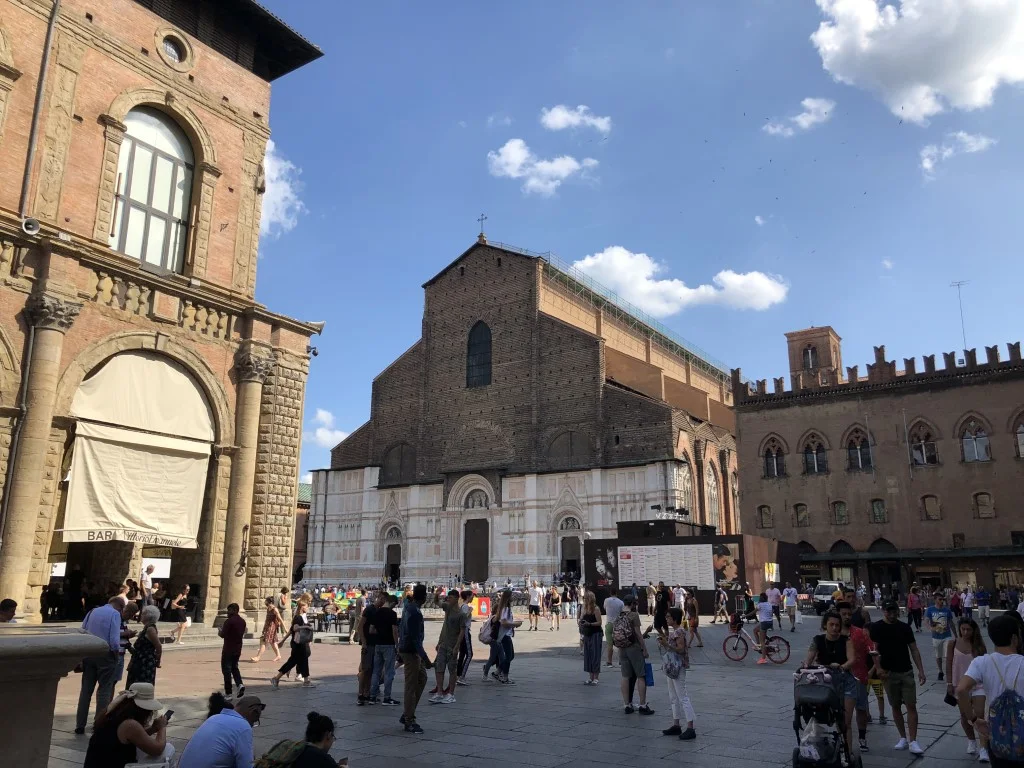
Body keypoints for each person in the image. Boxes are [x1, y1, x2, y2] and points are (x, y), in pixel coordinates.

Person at [956, 615, 1024, 768]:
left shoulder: (982, 662)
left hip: (997, 736)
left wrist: (973, 719)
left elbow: (961, 689)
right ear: (1015, 638)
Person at [870, 600, 927, 755]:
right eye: (889, 611)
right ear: (883, 611)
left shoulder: (904, 628)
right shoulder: (877, 627)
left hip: (906, 671)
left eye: (894, 611)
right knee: (895, 706)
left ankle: (913, 740)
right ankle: (903, 737)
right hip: (888, 673)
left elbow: (914, 650)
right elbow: (874, 650)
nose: (892, 614)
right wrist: (879, 668)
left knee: (911, 705)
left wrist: (921, 670)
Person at [804, 612, 855, 763]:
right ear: (825, 625)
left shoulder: (846, 640)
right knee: (820, 717)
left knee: (845, 721)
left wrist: (842, 667)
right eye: (831, 625)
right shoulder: (818, 640)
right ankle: (819, 748)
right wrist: (807, 666)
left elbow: (852, 659)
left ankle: (848, 752)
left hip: (845, 679)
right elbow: (809, 658)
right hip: (825, 680)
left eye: (837, 625)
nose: (834, 628)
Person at [83, 683, 171, 768]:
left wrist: (153, 728)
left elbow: (136, 737)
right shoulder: (130, 725)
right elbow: (157, 749)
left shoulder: (113, 714)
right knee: (169, 750)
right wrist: (162, 727)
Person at [76, 596, 125, 734]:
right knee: (104, 690)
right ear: (120, 606)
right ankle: (99, 724)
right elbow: (114, 639)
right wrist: (115, 655)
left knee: (86, 690)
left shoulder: (92, 611)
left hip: (89, 652)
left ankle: (80, 724)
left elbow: (82, 630)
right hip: (105, 653)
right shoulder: (115, 614)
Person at [178, 693, 265, 768]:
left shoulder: (214, 717)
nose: (253, 724)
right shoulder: (243, 726)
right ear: (254, 712)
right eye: (255, 721)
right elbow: (247, 765)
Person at [947, 618, 989, 762]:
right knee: (965, 716)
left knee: (979, 714)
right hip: (959, 684)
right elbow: (949, 663)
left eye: (968, 630)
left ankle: (983, 748)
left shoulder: (978, 645)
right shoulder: (952, 643)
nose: (965, 632)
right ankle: (971, 740)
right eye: (963, 629)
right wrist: (949, 683)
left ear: (974, 630)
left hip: (977, 684)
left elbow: (985, 665)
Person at [397, 583, 431, 734]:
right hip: (411, 652)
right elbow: (414, 637)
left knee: (422, 679)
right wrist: (425, 657)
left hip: (411, 650)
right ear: (424, 598)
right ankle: (409, 720)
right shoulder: (414, 612)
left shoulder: (409, 607)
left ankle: (407, 713)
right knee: (410, 686)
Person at [658, 606, 695, 740]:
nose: (666, 619)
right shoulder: (675, 631)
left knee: (682, 696)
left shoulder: (679, 631)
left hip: (678, 666)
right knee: (673, 696)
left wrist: (667, 645)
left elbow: (680, 649)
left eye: (668, 617)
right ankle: (676, 724)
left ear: (675, 619)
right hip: (672, 666)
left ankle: (690, 727)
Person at [840, 602, 873, 752]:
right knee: (842, 712)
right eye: (844, 614)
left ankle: (862, 737)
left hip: (859, 675)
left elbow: (872, 651)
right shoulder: (834, 633)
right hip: (839, 678)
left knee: (861, 709)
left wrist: (875, 669)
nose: (847, 617)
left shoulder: (860, 633)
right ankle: (843, 741)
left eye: (849, 614)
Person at [616, 594, 653, 715]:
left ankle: (627, 704)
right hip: (634, 648)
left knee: (625, 676)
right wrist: (644, 649)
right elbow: (637, 634)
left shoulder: (619, 615)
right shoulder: (634, 615)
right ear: (632, 604)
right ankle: (642, 705)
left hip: (622, 648)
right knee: (641, 675)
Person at [270, 600, 317, 689]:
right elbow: (295, 628)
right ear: (302, 607)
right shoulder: (298, 617)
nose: (308, 608)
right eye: (307, 606)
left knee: (295, 661)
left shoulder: (303, 617)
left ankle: (277, 678)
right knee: (297, 661)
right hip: (298, 644)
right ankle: (305, 681)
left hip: (302, 643)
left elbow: (291, 630)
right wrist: (306, 627)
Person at [368, 593, 400, 706]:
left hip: (378, 644)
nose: (394, 607)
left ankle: (372, 696)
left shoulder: (377, 612)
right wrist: (397, 645)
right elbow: (394, 631)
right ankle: (387, 698)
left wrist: (380, 633)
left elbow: (371, 630)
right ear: (391, 602)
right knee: (389, 672)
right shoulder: (392, 614)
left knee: (376, 671)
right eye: (394, 605)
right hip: (389, 645)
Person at [125, 605, 162, 689]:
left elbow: (158, 646)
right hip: (139, 661)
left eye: (143, 614)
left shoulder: (150, 629)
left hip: (144, 663)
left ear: (148, 616)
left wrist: (157, 660)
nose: (140, 616)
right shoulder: (146, 628)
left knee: (140, 688)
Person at [355, 592, 382, 704]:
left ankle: (367, 692)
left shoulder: (378, 611)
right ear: (379, 598)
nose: (383, 602)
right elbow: (360, 626)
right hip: (368, 644)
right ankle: (361, 693)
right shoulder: (369, 610)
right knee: (365, 669)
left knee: (371, 670)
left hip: (375, 644)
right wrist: (364, 642)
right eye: (382, 599)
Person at [925, 593, 955, 681]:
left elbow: (951, 623)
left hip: (947, 636)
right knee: (938, 656)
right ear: (935, 600)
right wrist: (931, 628)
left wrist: (956, 635)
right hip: (936, 637)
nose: (942, 601)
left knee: (947, 655)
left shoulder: (947, 610)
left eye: (943, 599)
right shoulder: (930, 610)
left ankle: (949, 672)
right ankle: (940, 671)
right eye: (940, 599)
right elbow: (926, 621)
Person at [219, 603, 246, 698]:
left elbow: (223, 634)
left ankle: (228, 693)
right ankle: (240, 684)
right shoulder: (242, 621)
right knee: (234, 668)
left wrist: (220, 631)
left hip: (228, 649)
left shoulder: (229, 621)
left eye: (229, 610)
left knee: (226, 670)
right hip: (238, 649)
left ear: (234, 610)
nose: (227, 612)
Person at [495, 587, 520, 684]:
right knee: (509, 656)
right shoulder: (506, 609)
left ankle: (498, 672)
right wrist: (515, 624)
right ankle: (505, 677)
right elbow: (504, 622)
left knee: (511, 655)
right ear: (508, 597)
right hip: (505, 635)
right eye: (512, 596)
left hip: (505, 634)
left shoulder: (503, 608)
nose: (513, 597)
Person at [580, 590, 603, 685]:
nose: (584, 599)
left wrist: (589, 624)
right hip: (587, 633)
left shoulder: (596, 609)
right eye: (584, 598)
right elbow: (581, 618)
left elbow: (599, 622)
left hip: (596, 633)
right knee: (588, 655)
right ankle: (590, 677)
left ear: (590, 599)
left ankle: (596, 678)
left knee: (595, 655)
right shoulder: (584, 608)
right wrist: (580, 622)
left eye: (585, 598)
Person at [251, 597, 283, 663]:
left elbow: (280, 619)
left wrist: (285, 628)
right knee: (273, 642)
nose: (265, 602)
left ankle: (258, 657)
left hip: (272, 628)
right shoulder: (268, 608)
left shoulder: (275, 609)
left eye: (266, 601)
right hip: (268, 627)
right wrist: (264, 628)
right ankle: (278, 655)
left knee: (264, 642)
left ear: (269, 601)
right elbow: (266, 619)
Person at [456, 589, 475, 687]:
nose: (473, 598)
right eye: (472, 596)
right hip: (465, 631)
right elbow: (463, 619)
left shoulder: (462, 606)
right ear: (468, 596)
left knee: (463, 654)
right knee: (469, 654)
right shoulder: (465, 606)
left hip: (463, 631)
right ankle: (462, 676)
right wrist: (470, 611)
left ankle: (458, 675)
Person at [603, 588, 625, 667]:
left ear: (610, 593)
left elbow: (604, 608)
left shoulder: (607, 600)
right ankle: (621, 661)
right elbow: (622, 613)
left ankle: (609, 662)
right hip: (617, 624)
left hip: (609, 623)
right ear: (616, 593)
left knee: (609, 644)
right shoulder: (621, 602)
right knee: (619, 644)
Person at [753, 592, 774, 665]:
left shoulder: (760, 605)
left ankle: (763, 658)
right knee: (755, 630)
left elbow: (754, 612)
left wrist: (745, 616)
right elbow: (771, 613)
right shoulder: (769, 604)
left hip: (764, 623)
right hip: (770, 622)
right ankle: (759, 646)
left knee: (762, 641)